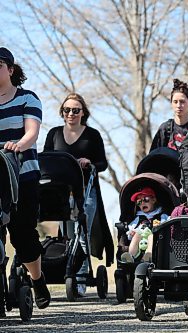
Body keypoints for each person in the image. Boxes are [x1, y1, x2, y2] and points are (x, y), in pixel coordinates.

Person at [44, 92, 113, 297]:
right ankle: (63, 270)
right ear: (62, 112)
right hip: (61, 193)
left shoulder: (92, 135)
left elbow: (103, 164)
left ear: (83, 113)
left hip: (86, 191)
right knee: (68, 235)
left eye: (76, 110)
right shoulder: (54, 134)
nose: (71, 114)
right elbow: (46, 159)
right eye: (67, 110)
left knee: (83, 235)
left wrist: (89, 162)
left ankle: (80, 278)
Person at [0, 47, 51, 309]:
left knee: (22, 235)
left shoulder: (26, 98)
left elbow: (32, 132)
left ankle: (37, 279)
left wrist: (18, 144)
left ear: (10, 69)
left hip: (23, 176)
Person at [121, 187, 169, 263]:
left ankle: (148, 256)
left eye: (146, 199)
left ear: (153, 200)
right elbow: (131, 228)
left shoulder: (161, 216)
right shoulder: (139, 218)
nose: (142, 203)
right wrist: (131, 233)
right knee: (137, 234)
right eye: (139, 202)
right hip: (140, 242)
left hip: (157, 243)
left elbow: (169, 224)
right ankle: (130, 256)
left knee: (152, 236)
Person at [150, 79, 188, 152]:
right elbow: (154, 157)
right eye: (175, 102)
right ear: (171, 103)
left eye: (182, 102)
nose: (178, 105)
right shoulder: (165, 129)